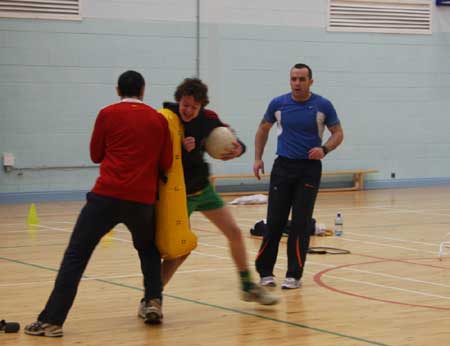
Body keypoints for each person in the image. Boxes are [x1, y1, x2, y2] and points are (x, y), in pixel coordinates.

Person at [24, 70, 173, 337]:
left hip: (106, 196)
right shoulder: (157, 120)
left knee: (76, 255)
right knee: (148, 250)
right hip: (142, 200)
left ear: (118, 90)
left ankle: (52, 321)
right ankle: (153, 302)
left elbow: (95, 155)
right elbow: (166, 164)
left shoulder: (107, 114)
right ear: (143, 90)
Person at [138, 77, 278, 311]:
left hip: (202, 188)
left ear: (201, 106)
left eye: (194, 106)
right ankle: (152, 300)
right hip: (177, 194)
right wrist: (180, 149)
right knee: (179, 249)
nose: (188, 110)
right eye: (185, 104)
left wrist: (237, 149)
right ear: (178, 100)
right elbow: (153, 153)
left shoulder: (208, 119)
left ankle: (247, 286)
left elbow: (234, 140)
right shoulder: (166, 118)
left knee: (234, 232)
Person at [253, 63, 344, 289]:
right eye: (294, 79)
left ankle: (294, 275)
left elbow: (338, 133)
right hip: (282, 168)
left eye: (302, 79)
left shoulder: (323, 105)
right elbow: (263, 129)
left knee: (301, 224)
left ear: (310, 82)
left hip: (309, 170)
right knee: (275, 222)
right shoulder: (278, 104)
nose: (297, 83)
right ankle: (265, 272)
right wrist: (257, 158)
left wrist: (324, 149)